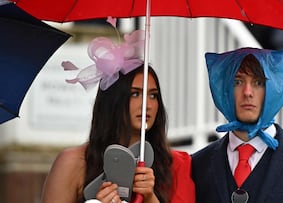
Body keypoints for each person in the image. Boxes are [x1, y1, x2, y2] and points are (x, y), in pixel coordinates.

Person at [41, 30, 195, 203]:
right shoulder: (73, 162)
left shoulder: (175, 165)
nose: (147, 104)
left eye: (153, 95)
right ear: (113, 102)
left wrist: (150, 198)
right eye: (135, 94)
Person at [191, 47, 283, 203]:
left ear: (274, 88)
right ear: (224, 89)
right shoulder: (198, 165)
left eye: (258, 82)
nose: (247, 92)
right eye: (237, 82)